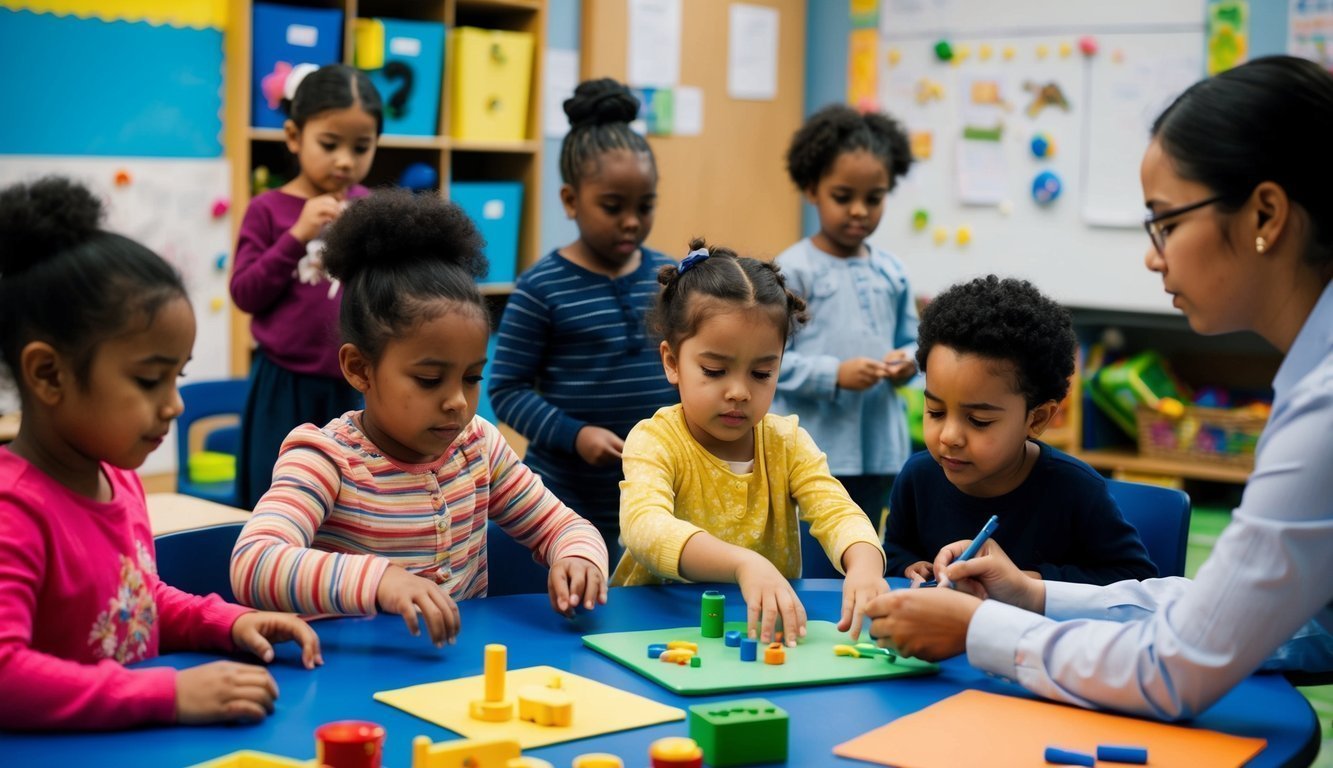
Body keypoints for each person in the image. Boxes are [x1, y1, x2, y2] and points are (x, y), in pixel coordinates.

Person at [865, 55, 1333, 721]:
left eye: (1166, 223)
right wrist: (1033, 596)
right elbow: (1253, 620)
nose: (1152, 253)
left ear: (1264, 214)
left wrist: (976, 631)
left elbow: (1172, 670)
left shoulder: (1323, 408)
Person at [0, 177, 320, 730]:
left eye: (179, 376)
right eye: (150, 379)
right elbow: (5, 676)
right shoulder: (14, 513)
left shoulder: (119, 479)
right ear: (48, 374)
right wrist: (167, 693)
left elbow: (135, 602)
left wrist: (224, 621)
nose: (174, 405)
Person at [230, 190, 610, 648]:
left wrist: (578, 558)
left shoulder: (477, 448)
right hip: (348, 686)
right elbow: (253, 562)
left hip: (459, 678)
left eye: (471, 378)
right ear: (359, 368)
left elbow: (564, 525)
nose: (457, 402)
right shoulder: (326, 459)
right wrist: (382, 581)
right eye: (430, 379)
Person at [614, 238, 888, 646]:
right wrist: (744, 564)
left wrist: (865, 564)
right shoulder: (655, 440)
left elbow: (837, 512)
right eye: (714, 370)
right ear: (672, 362)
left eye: (761, 374)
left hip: (762, 634)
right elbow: (645, 529)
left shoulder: (787, 443)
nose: (739, 392)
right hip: (654, 628)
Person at [489, 79, 678, 557]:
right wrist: (575, 435)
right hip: (564, 498)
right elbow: (506, 390)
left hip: (656, 493)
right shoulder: (541, 286)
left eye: (645, 206)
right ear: (571, 200)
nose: (632, 221)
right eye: (613, 207)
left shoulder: (668, 277)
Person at [883, 275, 1157, 585]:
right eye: (935, 412)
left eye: (978, 421)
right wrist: (909, 566)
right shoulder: (917, 478)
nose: (948, 436)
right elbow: (893, 551)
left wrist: (1028, 582)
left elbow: (1138, 580)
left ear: (1037, 419)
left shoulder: (1075, 491)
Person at [229, 64, 383, 509]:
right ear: (294, 136)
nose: (344, 161)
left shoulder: (368, 208)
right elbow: (245, 292)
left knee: (349, 505)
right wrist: (296, 235)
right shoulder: (268, 209)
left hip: (352, 386)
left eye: (361, 147)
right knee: (276, 502)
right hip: (282, 386)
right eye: (329, 144)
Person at [772, 104, 920, 526]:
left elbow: (913, 341)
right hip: (811, 449)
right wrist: (833, 374)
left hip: (879, 449)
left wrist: (908, 362)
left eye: (873, 199)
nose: (859, 210)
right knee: (810, 560)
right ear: (811, 188)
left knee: (864, 546)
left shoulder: (892, 270)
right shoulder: (793, 269)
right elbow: (768, 363)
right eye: (843, 197)